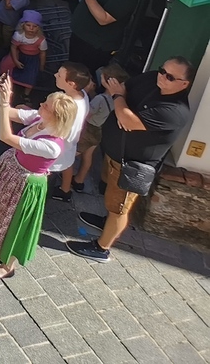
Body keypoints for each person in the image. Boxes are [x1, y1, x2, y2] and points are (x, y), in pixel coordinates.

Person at [68, 57, 194, 262]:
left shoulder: (175, 111)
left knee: (119, 209)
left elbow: (127, 118)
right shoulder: (152, 78)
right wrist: (122, 104)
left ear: (184, 84)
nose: (162, 77)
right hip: (114, 155)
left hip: (130, 166)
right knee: (111, 200)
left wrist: (120, 99)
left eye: (170, 77)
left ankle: (101, 249)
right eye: (162, 70)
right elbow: (124, 89)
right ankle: (106, 222)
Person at [0, 84, 77, 280]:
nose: (41, 104)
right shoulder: (39, 119)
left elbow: (6, 136)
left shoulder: (51, 145)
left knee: (16, 223)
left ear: (56, 117)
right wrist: (4, 96)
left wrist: (5, 102)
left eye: (46, 105)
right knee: (0, 215)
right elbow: (5, 113)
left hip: (26, 185)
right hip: (12, 174)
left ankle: (8, 266)